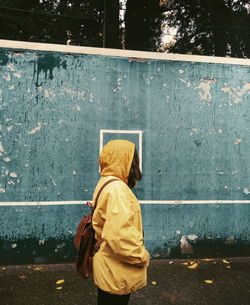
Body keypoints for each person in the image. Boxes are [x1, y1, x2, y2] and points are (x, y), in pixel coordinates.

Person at [92, 139, 150, 305]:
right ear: (127, 161)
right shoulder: (118, 190)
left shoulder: (106, 182)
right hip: (116, 269)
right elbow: (120, 235)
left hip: (108, 264)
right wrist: (142, 256)